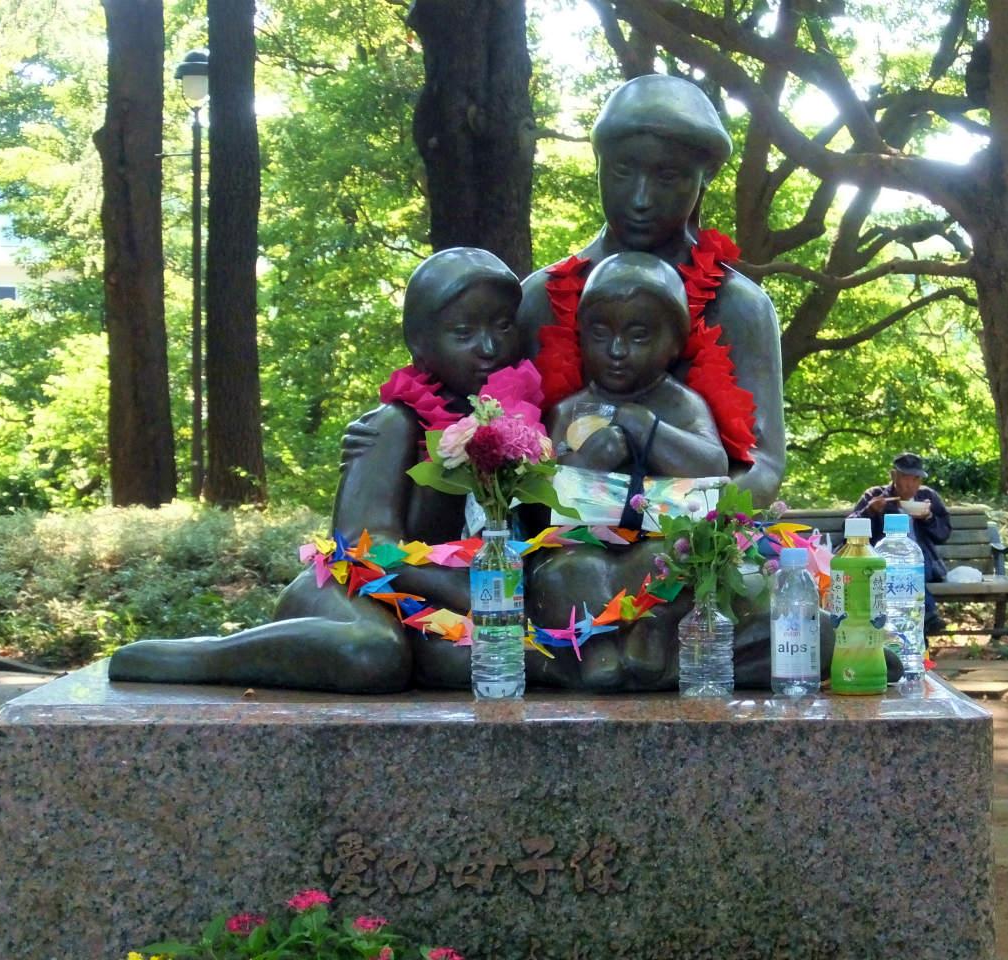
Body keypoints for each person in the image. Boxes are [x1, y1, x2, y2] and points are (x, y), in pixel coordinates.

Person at [108, 248, 528, 693]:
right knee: (370, 652)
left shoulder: (515, 430)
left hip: (431, 599)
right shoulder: (395, 425)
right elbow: (364, 546)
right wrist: (466, 588)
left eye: (503, 327)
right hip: (346, 589)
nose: (489, 348)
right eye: (463, 332)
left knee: (482, 656)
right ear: (420, 344)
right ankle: (201, 657)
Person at [517, 73, 785, 508]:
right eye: (623, 171)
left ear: (705, 176)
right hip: (558, 535)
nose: (640, 199)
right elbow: (506, 450)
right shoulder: (541, 297)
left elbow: (763, 468)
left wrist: (658, 517)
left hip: (692, 537)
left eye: (667, 176)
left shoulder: (739, 306)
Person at [546, 251, 728, 492]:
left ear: (675, 342)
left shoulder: (681, 404)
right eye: (600, 334)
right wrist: (585, 464)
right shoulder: (568, 412)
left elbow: (714, 467)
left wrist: (646, 429)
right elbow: (542, 491)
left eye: (638, 336)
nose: (616, 350)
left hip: (670, 517)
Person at [849, 452, 951, 633]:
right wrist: (869, 512)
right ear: (893, 476)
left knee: (908, 566)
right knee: (895, 568)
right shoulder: (876, 496)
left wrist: (928, 518)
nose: (911, 484)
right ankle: (927, 617)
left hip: (923, 560)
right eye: (906, 477)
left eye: (916, 479)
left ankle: (921, 621)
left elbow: (943, 533)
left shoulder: (927, 497)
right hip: (884, 561)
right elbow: (849, 530)